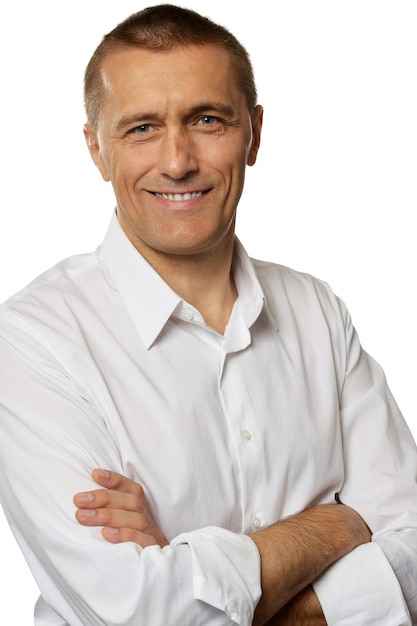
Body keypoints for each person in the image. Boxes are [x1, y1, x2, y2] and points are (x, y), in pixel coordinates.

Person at [0, 4, 416, 625]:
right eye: (141, 128)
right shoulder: (33, 341)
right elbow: (140, 611)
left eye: (206, 120)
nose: (177, 161)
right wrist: (337, 525)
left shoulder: (319, 312)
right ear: (95, 150)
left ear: (254, 133)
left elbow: (411, 551)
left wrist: (198, 582)